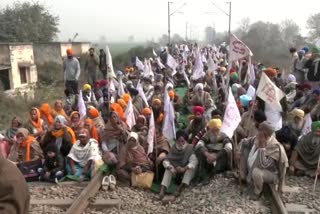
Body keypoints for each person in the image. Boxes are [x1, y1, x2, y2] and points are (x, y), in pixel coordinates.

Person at [236, 121, 288, 199]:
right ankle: (243, 176)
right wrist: (238, 151)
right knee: (245, 149)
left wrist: (262, 147)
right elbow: (244, 142)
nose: (258, 131)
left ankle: (257, 192)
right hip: (256, 166)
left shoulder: (275, 147)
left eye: (260, 130)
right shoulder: (256, 139)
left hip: (270, 173)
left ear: (265, 134)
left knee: (256, 172)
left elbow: (263, 164)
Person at [159, 130, 198, 199]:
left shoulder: (189, 148)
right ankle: (162, 191)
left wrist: (184, 168)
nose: (180, 143)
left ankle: (180, 189)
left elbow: (194, 161)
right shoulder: (174, 148)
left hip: (185, 169)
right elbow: (166, 161)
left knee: (191, 169)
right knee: (168, 169)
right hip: (176, 169)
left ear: (186, 141)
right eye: (178, 141)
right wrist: (170, 167)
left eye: (183, 141)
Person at [195, 119, 232, 184]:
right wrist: (207, 154)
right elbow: (199, 144)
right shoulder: (207, 134)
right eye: (213, 130)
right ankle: (203, 174)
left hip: (219, 155)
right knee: (199, 151)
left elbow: (229, 147)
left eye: (217, 129)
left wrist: (216, 156)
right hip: (209, 154)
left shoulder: (223, 135)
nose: (215, 132)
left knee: (225, 153)